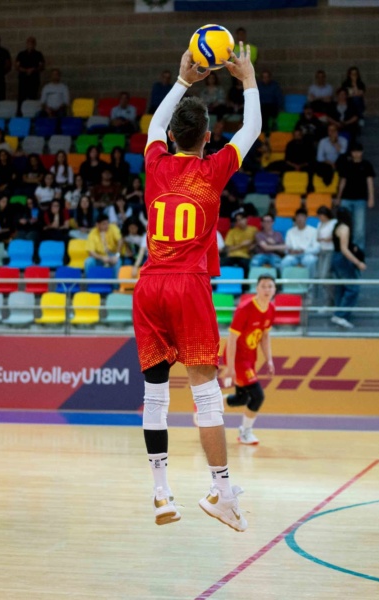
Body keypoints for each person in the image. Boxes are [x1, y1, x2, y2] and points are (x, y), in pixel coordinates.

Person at [133, 45, 260, 531]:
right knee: (206, 395)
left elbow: (152, 127)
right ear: (208, 137)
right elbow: (251, 130)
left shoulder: (156, 164)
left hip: (149, 284)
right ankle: (221, 491)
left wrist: (183, 80)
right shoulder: (213, 169)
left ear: (171, 137)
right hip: (188, 284)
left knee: (155, 395)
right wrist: (247, 79)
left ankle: (161, 494)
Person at [222, 274, 276, 446]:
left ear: (274, 289)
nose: (267, 290)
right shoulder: (245, 309)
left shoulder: (271, 309)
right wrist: (230, 367)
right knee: (257, 396)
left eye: (270, 286)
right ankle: (245, 432)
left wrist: (269, 360)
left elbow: (265, 337)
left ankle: (212, 401)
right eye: (263, 286)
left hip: (250, 357)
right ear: (257, 288)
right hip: (238, 358)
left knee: (242, 398)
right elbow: (231, 339)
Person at [329, 207, 367, 329]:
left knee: (341, 288)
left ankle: (338, 313)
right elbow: (344, 249)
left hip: (335, 257)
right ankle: (341, 315)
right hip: (342, 259)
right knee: (353, 288)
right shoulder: (344, 228)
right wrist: (358, 263)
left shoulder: (336, 226)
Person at [335, 142, 374, 249]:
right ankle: (344, 248)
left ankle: (358, 251)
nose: (356, 154)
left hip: (360, 199)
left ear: (362, 152)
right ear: (351, 153)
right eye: (354, 151)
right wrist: (338, 197)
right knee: (344, 225)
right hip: (346, 198)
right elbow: (342, 182)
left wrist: (371, 198)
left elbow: (370, 182)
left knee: (359, 228)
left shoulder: (366, 165)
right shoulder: (347, 165)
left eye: (358, 151)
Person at [280, 208, 319, 275]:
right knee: (284, 262)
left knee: (310, 261)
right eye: (298, 216)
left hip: (307, 254)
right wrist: (290, 251)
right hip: (293, 255)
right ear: (295, 218)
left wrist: (304, 250)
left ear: (306, 218)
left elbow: (317, 248)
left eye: (302, 216)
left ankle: (311, 281)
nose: (300, 219)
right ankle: (285, 281)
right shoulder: (290, 231)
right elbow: (286, 247)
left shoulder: (313, 231)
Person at [15, 37, 45, 112]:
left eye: (32, 43)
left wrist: (33, 70)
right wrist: (25, 70)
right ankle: (20, 114)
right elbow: (17, 66)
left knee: (33, 98)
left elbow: (41, 66)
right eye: (28, 43)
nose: (30, 45)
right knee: (21, 98)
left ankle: (32, 114)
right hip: (23, 80)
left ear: (35, 44)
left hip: (33, 80)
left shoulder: (38, 54)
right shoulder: (21, 54)